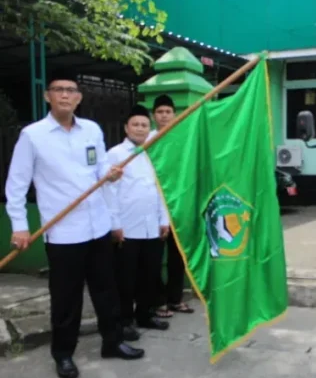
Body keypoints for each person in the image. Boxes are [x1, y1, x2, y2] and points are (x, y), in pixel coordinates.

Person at [5, 70, 144, 378]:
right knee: (67, 298)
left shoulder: (91, 130)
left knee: (106, 291)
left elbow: (101, 169)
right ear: (48, 96)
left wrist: (110, 174)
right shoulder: (33, 135)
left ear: (79, 97)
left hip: (97, 226)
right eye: (58, 90)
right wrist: (19, 225)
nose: (65, 95)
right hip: (63, 232)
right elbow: (16, 185)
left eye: (70, 90)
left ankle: (112, 341)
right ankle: (63, 354)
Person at [108, 104, 171, 341]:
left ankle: (145, 314)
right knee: (125, 279)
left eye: (144, 125)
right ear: (126, 128)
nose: (140, 128)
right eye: (135, 124)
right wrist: (115, 224)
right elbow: (109, 192)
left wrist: (163, 219)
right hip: (127, 229)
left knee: (149, 276)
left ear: (149, 128)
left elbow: (159, 189)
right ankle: (124, 321)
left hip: (151, 228)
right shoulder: (115, 154)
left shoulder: (152, 153)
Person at [149, 94, 194, 317]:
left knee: (178, 258)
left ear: (174, 115)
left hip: (178, 206)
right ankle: (158, 302)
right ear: (153, 116)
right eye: (160, 112)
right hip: (152, 207)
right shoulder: (147, 142)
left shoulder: (181, 140)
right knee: (155, 259)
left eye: (168, 112)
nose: (164, 115)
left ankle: (175, 299)